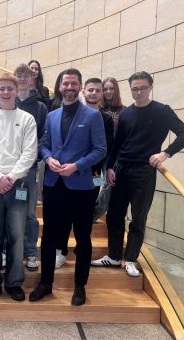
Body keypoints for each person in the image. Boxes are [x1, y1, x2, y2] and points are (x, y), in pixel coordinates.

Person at [92, 71, 184, 277]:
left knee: (138, 218)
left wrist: (165, 153)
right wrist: (110, 167)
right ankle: (114, 256)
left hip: (144, 171)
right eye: (135, 89)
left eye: (143, 88)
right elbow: (118, 143)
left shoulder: (162, 111)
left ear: (151, 87)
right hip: (121, 169)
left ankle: (130, 259)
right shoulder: (126, 113)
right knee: (114, 215)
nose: (139, 92)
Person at [29, 68, 106, 307]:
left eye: (74, 84)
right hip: (53, 184)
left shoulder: (93, 116)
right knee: (49, 237)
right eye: (66, 84)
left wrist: (77, 166)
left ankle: (80, 286)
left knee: (82, 238)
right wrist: (48, 157)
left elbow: (100, 150)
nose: (69, 88)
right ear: (60, 87)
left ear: (80, 87)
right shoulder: (52, 115)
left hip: (81, 187)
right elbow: (44, 144)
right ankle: (46, 282)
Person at [0, 73, 38, 302]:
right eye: (1, 88)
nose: (5, 92)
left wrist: (10, 177)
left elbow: (30, 153)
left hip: (18, 183)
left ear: (16, 89)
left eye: (9, 88)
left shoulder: (27, 119)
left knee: (16, 234)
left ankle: (14, 282)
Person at [54, 78, 115, 269]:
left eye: (98, 90)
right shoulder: (69, 113)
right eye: (91, 90)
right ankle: (61, 251)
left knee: (85, 216)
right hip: (65, 174)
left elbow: (105, 148)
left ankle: (82, 251)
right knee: (63, 216)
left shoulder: (105, 118)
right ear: (84, 91)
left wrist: (106, 167)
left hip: (93, 175)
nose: (94, 93)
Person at [14, 64, 48, 271]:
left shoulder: (41, 107)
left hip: (30, 169)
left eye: (25, 75)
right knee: (9, 212)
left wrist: (30, 157)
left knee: (29, 214)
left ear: (32, 78)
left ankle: (31, 252)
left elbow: (44, 136)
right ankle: (11, 250)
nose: (22, 79)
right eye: (18, 75)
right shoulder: (7, 102)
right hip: (8, 170)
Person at [92, 76, 125, 222]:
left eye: (111, 88)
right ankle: (89, 208)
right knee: (96, 181)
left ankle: (95, 213)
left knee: (107, 185)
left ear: (116, 90)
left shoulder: (124, 110)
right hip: (96, 154)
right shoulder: (96, 109)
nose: (108, 92)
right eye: (105, 89)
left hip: (113, 155)